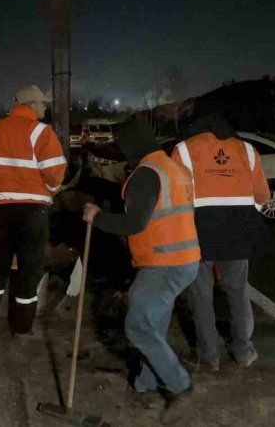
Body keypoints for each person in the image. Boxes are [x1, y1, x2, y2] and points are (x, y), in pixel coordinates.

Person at [83, 116, 199, 424]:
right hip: (185, 258)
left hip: (164, 263)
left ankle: (179, 385)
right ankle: (145, 383)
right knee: (154, 323)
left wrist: (97, 218)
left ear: (130, 146)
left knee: (137, 326)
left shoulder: (147, 174)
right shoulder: (173, 168)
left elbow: (135, 223)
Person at [171, 113, 270, 372]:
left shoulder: (184, 149)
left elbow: (175, 195)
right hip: (237, 233)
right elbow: (262, 195)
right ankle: (244, 352)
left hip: (198, 232)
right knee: (238, 291)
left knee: (201, 296)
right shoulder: (247, 150)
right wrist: (243, 217)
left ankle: (208, 357)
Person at [0, 85, 67, 338]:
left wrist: (0, 186)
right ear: (32, 105)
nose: (45, 107)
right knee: (30, 269)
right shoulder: (41, 132)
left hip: (2, 210)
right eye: (43, 103)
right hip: (33, 212)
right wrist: (50, 190)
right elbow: (55, 172)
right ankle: (22, 330)